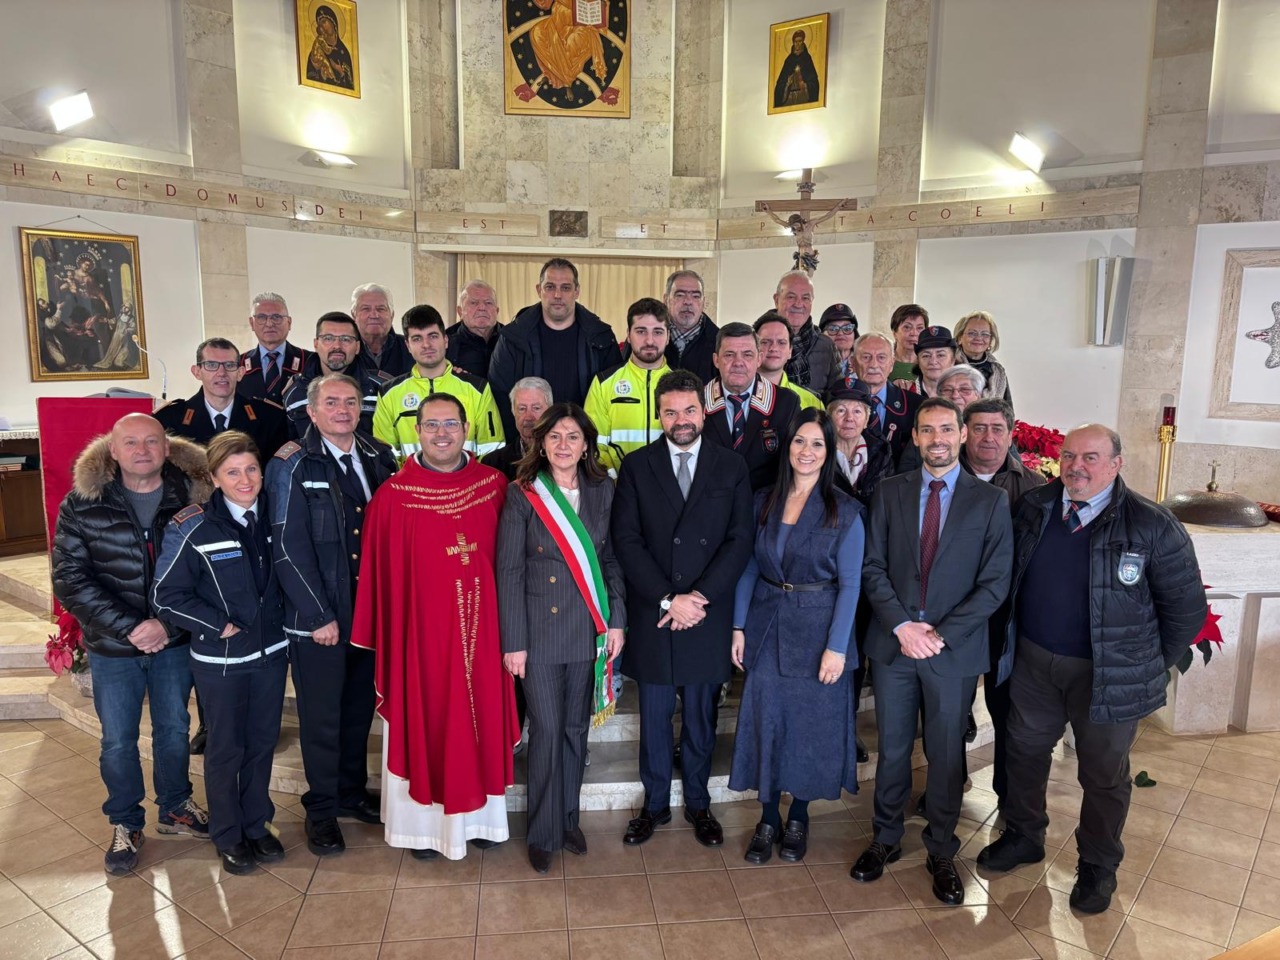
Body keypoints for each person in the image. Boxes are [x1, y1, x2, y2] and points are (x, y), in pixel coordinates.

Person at [977, 425, 1206, 914]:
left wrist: (1141, 665)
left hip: (1107, 675)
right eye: (1070, 455)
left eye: (1092, 457)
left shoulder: (1152, 525)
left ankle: (1098, 866)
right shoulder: (1035, 507)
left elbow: (1186, 611)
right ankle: (1023, 835)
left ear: (1117, 463)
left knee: (1103, 774)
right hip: (1035, 662)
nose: (1077, 466)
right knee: (1024, 752)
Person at [852, 398, 1013, 907]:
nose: (937, 438)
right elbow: (872, 566)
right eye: (928, 430)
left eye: (947, 428)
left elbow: (994, 584)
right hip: (895, 645)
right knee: (894, 748)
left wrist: (938, 635)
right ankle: (884, 838)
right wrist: (902, 626)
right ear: (916, 437)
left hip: (953, 651)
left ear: (962, 434)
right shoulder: (890, 491)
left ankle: (941, 849)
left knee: (946, 753)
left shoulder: (989, 503)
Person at [352, 394, 520, 859]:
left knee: (481, 716)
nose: (441, 433)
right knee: (425, 717)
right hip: (419, 643)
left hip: (486, 637)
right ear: (416, 431)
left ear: (467, 428)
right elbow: (380, 581)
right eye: (431, 425)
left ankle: (483, 818)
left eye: (450, 423)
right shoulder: (392, 498)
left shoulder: (494, 486)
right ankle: (419, 831)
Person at [51, 414, 212, 875]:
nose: (142, 449)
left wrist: (165, 623)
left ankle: (177, 805)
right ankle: (125, 821)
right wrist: (130, 628)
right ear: (113, 451)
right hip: (112, 647)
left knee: (174, 729)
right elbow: (70, 578)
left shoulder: (195, 497)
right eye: (131, 442)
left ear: (167, 447)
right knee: (118, 741)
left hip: (174, 641)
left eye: (152, 441)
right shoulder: (82, 504)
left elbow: (208, 572)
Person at [611, 370, 754, 848]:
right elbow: (627, 542)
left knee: (700, 719)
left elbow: (739, 541)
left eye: (689, 410)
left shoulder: (730, 467)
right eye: (670, 411)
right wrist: (670, 598)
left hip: (705, 614)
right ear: (659, 414)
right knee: (653, 719)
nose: (681, 419)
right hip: (656, 612)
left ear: (703, 409)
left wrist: (699, 599)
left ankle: (698, 802)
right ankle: (653, 806)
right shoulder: (636, 466)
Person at [268, 374, 399, 857]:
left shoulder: (378, 455)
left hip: (369, 615)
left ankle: (348, 791)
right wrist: (317, 614)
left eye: (349, 401)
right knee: (321, 719)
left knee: (356, 713)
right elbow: (287, 545)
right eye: (332, 402)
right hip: (319, 620)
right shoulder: (292, 463)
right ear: (312, 410)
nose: (343, 409)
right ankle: (321, 809)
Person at [729, 409, 865, 864]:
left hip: (819, 629)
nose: (806, 452)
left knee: (810, 730)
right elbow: (749, 567)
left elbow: (851, 586)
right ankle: (768, 817)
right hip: (767, 625)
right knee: (767, 722)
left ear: (828, 453)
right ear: (788, 448)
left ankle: (800, 816)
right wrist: (738, 625)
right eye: (799, 442)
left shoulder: (844, 511)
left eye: (817, 444)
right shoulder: (763, 499)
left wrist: (838, 648)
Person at [497, 404, 626, 873]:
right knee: (547, 732)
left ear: (586, 443)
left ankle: (568, 818)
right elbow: (508, 571)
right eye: (555, 437)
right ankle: (544, 830)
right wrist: (513, 641)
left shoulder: (602, 490)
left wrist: (617, 621)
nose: (564, 445)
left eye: (573, 436)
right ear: (541, 443)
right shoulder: (523, 494)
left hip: (589, 631)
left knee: (575, 730)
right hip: (538, 634)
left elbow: (610, 560)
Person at [152, 431, 288, 876]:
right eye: (232, 472)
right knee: (227, 750)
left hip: (271, 655)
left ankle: (257, 825)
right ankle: (228, 836)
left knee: (262, 744)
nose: (245, 479)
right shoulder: (192, 526)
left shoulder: (278, 517)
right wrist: (218, 625)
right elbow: (166, 596)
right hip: (223, 662)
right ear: (213, 477)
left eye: (251, 469)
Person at [958, 397, 1045, 807]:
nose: (988, 437)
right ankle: (948, 782)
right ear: (964, 433)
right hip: (951, 614)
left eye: (996, 429)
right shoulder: (942, 477)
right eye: (978, 428)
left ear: (1010, 434)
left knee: (1005, 705)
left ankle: (1009, 798)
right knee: (948, 707)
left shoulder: (1035, 489)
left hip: (1005, 618)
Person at [489, 258, 622, 438]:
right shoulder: (513, 338)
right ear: (539, 290)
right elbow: (500, 397)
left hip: (584, 442)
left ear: (577, 291)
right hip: (531, 443)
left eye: (565, 288)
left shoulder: (602, 337)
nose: (557, 295)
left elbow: (613, 397)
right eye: (550, 287)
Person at [373, 304, 504, 463]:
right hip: (413, 486)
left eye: (433, 336)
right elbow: (386, 457)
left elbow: (492, 450)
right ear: (408, 345)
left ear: (446, 340)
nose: (426, 344)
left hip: (467, 485)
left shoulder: (478, 389)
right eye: (417, 338)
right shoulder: (389, 393)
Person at [701, 322, 802, 491]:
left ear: (759, 359)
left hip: (764, 509)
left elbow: (791, 467)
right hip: (712, 509)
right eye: (729, 355)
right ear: (716, 360)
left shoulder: (786, 403)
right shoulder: (697, 401)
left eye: (747, 355)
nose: (738, 362)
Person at [157, 338, 288, 462]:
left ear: (240, 373)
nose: (221, 373)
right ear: (197, 372)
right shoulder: (170, 421)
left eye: (229, 365)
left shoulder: (269, 418)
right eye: (211, 365)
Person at [586, 297, 672, 471]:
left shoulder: (683, 385)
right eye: (641, 331)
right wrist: (615, 482)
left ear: (668, 336)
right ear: (628, 335)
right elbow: (593, 443)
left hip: (669, 490)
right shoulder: (604, 383)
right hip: (619, 489)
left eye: (658, 332)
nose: (649, 341)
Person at [282, 312, 384, 439]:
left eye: (346, 339)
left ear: (357, 347)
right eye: (328, 338)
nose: (337, 346)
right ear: (316, 344)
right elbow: (292, 443)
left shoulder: (381, 389)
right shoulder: (295, 392)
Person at [833, 332, 921, 468]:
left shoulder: (915, 405)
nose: (873, 364)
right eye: (866, 357)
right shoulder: (833, 401)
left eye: (881, 357)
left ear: (892, 363)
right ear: (853, 362)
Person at [238, 293, 309, 404]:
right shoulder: (237, 364)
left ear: (289, 322)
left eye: (276, 317)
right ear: (252, 323)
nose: (269, 324)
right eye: (261, 317)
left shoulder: (311, 360)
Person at [827, 385, 893, 506]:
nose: (849, 418)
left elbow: (888, 503)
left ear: (866, 420)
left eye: (857, 411)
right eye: (841, 410)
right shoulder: (818, 453)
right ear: (829, 418)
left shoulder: (882, 452)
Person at [773, 271, 839, 390]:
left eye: (805, 298)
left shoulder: (826, 346)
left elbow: (836, 397)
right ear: (776, 300)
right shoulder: (756, 340)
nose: (798, 304)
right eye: (791, 297)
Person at [483, 376, 554, 480]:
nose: (529, 417)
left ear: (550, 411)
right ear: (513, 412)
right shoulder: (493, 463)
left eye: (536, 408)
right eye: (522, 409)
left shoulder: (564, 456)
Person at [753, 311, 824, 411]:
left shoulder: (812, 402)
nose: (773, 348)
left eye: (781, 342)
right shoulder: (735, 394)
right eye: (765, 342)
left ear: (790, 351)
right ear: (753, 348)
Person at [661, 270, 719, 384]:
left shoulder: (718, 341)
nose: (688, 302)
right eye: (680, 295)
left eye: (696, 296)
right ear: (666, 299)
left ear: (703, 302)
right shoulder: (649, 337)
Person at [351, 282, 413, 379]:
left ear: (392, 315)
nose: (374, 315)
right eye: (366, 309)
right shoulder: (346, 350)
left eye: (381, 309)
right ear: (354, 315)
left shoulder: (410, 348)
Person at [446, 280, 504, 378]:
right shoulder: (446, 343)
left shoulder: (511, 339)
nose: (482, 307)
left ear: (497, 311)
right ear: (460, 312)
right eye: (473, 303)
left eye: (488, 303)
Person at [954, 310, 1012, 404]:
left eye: (985, 334)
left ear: (990, 340)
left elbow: (1007, 410)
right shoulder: (950, 365)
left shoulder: (998, 371)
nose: (978, 338)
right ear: (960, 338)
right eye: (972, 333)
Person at [894, 325, 957, 398]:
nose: (933, 362)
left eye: (940, 355)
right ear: (918, 361)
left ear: (953, 360)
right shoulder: (904, 393)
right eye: (926, 356)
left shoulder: (962, 395)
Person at [306, 5, 355, 90]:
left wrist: (341, 72)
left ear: (333, 23)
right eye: (320, 24)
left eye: (324, 22)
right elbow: (310, 78)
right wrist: (318, 69)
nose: (322, 27)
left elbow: (350, 86)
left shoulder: (343, 51)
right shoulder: (316, 51)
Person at [773, 29, 821, 108]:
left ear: (803, 42)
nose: (798, 44)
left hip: (804, 96)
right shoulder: (789, 60)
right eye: (796, 41)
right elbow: (780, 83)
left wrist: (805, 85)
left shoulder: (807, 59)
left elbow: (814, 82)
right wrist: (787, 84)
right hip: (789, 97)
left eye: (800, 41)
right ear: (793, 43)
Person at [889, 304, 929, 383]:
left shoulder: (931, 362)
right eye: (907, 327)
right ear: (894, 332)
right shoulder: (883, 360)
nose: (914, 333)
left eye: (919, 328)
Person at [820, 303, 859, 380]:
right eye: (833, 329)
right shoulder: (813, 362)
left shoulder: (864, 362)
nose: (840, 333)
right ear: (822, 335)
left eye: (847, 328)